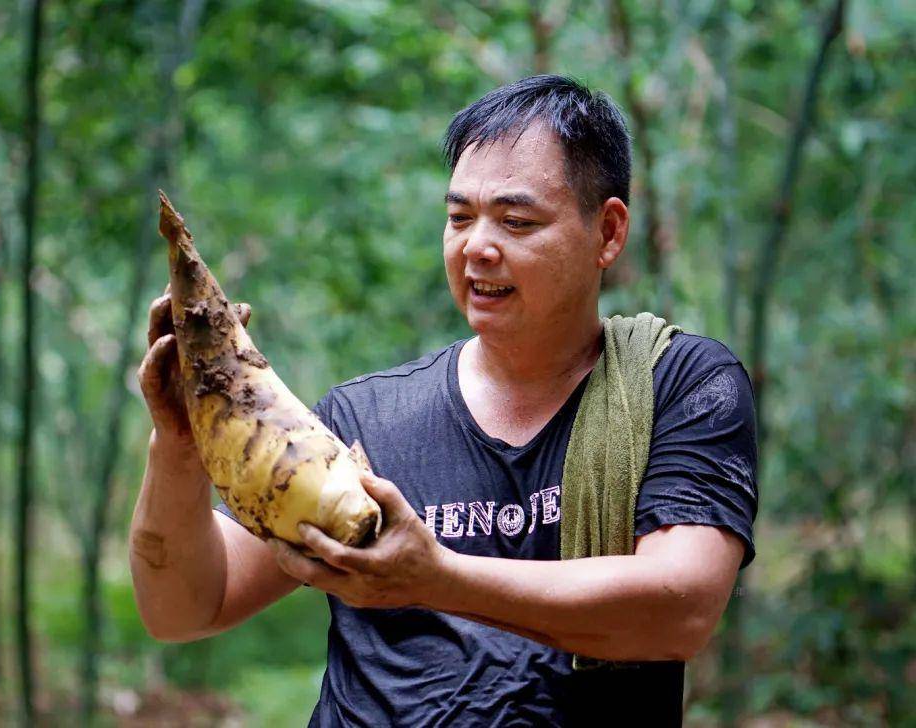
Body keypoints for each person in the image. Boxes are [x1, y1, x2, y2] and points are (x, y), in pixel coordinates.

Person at [130, 75, 758, 726]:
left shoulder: (678, 386)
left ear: (607, 232)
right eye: (460, 217)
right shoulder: (363, 418)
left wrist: (435, 578)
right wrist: (180, 445)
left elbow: (679, 610)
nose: (476, 247)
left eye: (516, 221)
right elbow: (184, 609)